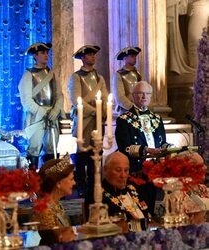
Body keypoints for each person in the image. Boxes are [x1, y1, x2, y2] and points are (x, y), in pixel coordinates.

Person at [115, 81, 170, 214]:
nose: (144, 96)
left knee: (153, 208)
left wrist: (169, 148)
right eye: (140, 93)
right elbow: (124, 148)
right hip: (136, 171)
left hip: (155, 171)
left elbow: (163, 142)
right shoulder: (124, 120)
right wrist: (145, 150)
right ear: (133, 96)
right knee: (138, 210)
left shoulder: (157, 118)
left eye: (148, 94)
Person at [68, 45, 108, 197]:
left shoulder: (99, 78)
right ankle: (81, 185)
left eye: (93, 54)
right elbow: (76, 99)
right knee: (83, 153)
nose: (93, 57)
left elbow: (104, 97)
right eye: (89, 55)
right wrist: (94, 111)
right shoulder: (76, 77)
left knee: (96, 153)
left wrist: (103, 112)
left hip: (97, 120)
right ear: (83, 58)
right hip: (84, 120)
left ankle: (95, 184)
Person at [18, 42, 65, 170]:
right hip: (36, 118)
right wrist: (41, 112)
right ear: (35, 56)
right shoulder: (28, 75)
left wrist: (55, 110)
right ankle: (32, 181)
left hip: (52, 116)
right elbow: (26, 100)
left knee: (52, 148)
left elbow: (59, 95)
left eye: (47, 53)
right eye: (43, 53)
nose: (46, 55)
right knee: (34, 148)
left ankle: (49, 180)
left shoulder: (52, 74)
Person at [85, 152, 151, 231]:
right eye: (118, 170)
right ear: (105, 170)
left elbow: (149, 216)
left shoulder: (134, 187)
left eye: (126, 170)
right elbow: (99, 229)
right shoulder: (96, 195)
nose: (123, 175)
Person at [31, 154, 76, 230]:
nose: (74, 183)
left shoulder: (55, 204)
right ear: (58, 183)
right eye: (71, 179)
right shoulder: (45, 211)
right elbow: (53, 240)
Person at [112, 46, 142, 115]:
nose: (134, 58)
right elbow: (119, 97)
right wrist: (133, 108)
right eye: (132, 56)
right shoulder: (119, 74)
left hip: (138, 110)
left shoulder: (138, 74)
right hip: (125, 111)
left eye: (135, 56)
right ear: (125, 58)